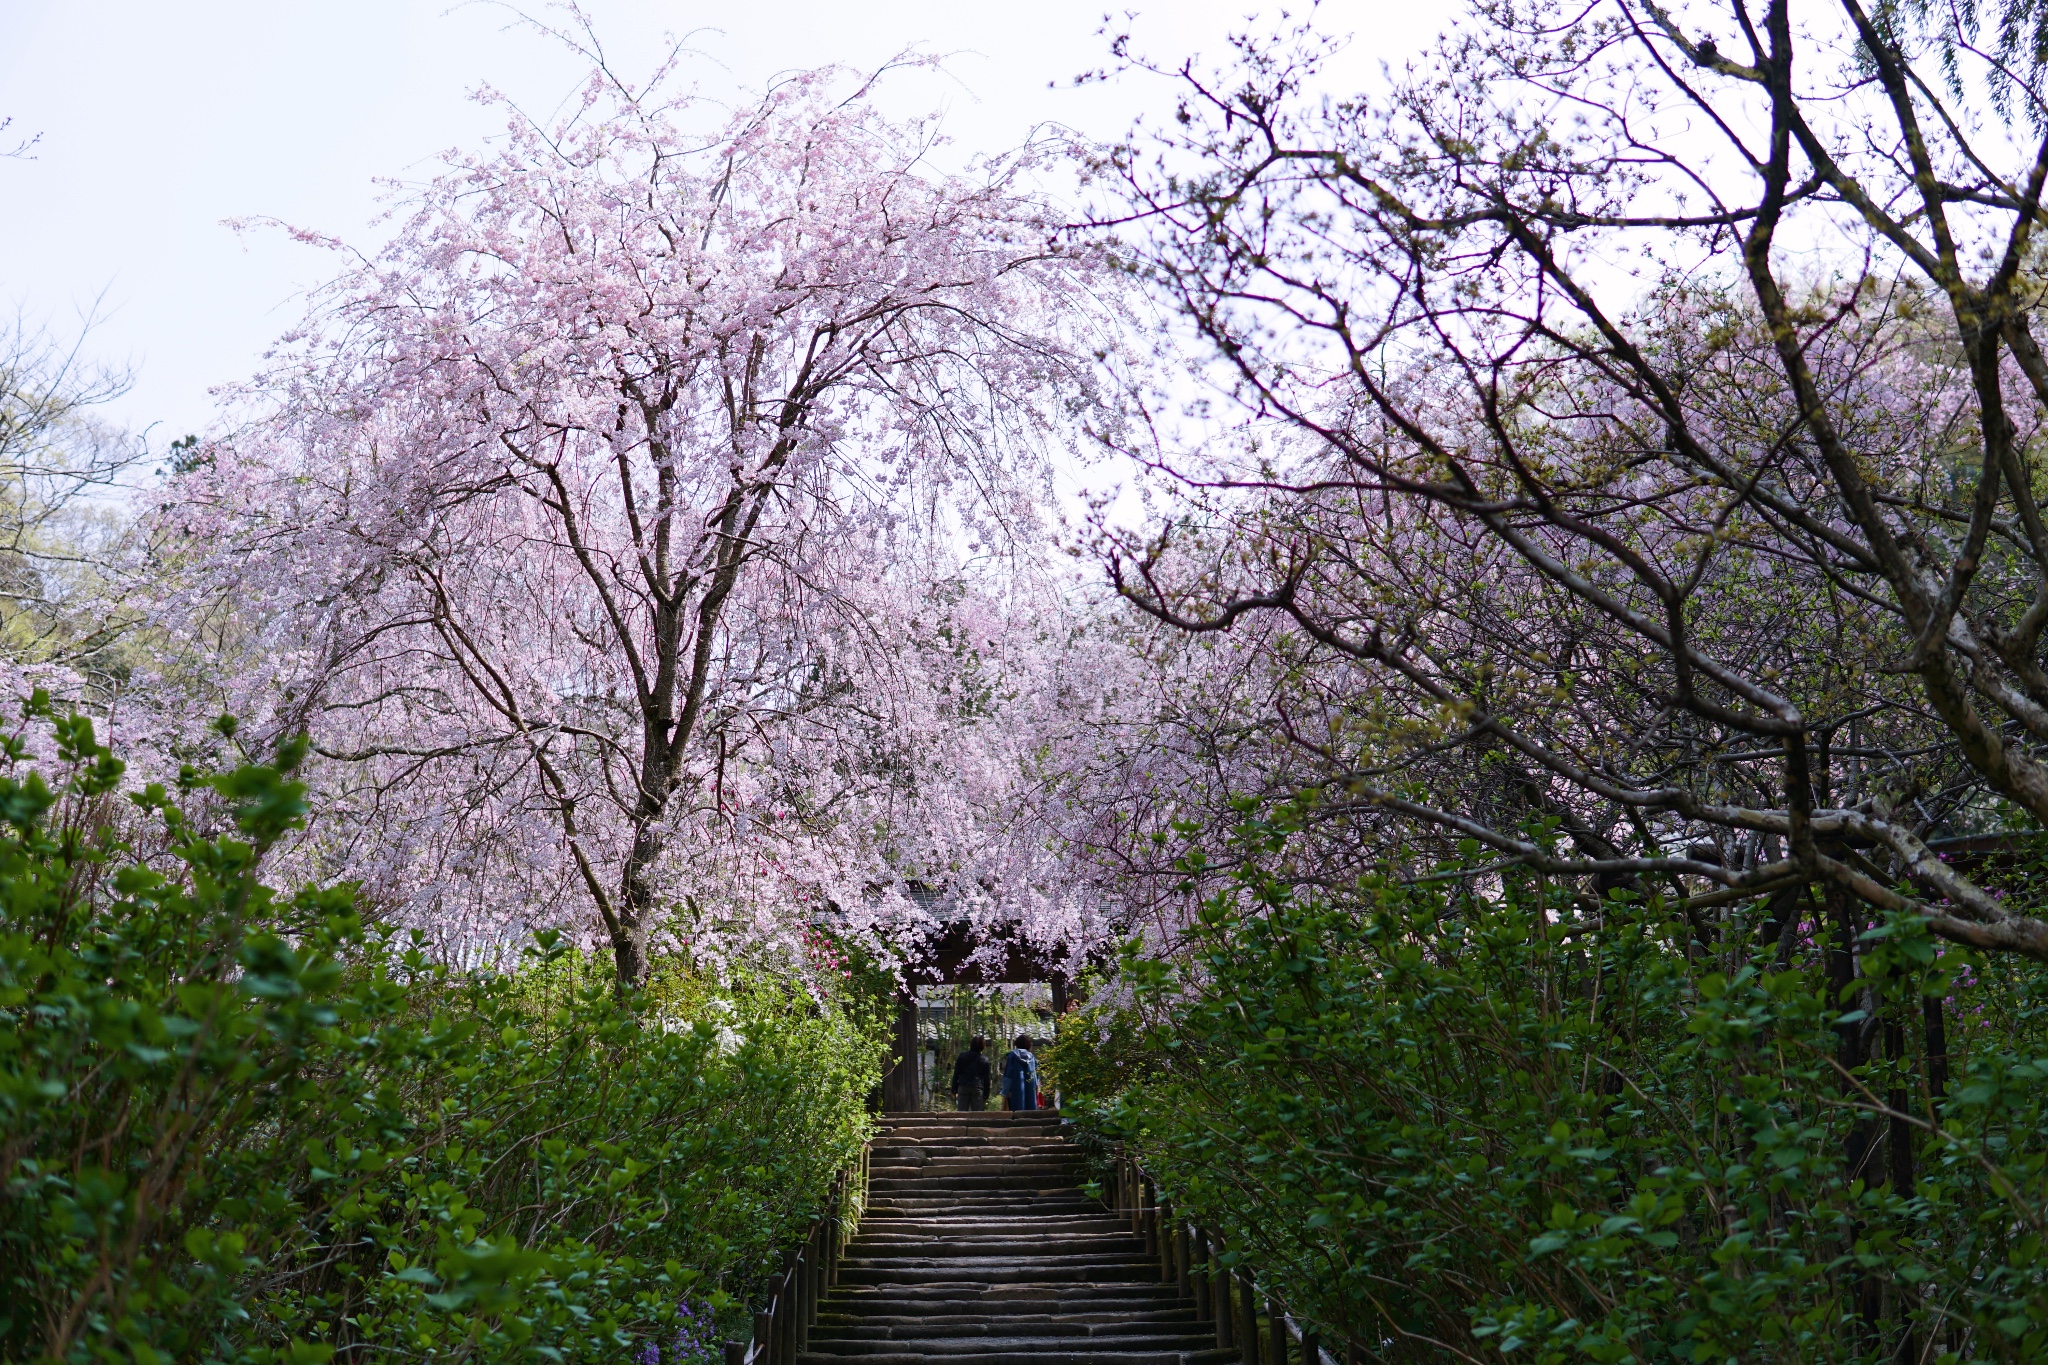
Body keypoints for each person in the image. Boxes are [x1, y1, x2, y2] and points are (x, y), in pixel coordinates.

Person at [1000, 1034, 1039, 1112]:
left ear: (1016, 1044)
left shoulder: (1012, 1056)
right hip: (1031, 1089)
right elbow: (1037, 1075)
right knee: (1030, 1113)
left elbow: (1008, 1075)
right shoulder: (1032, 1057)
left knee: (1016, 1111)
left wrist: (1005, 1091)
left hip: (1015, 1089)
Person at [950, 1036, 991, 1111]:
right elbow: (987, 1079)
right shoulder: (985, 1060)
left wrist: (954, 1089)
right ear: (983, 1046)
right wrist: (986, 1095)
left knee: (962, 1113)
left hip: (963, 1086)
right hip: (977, 1088)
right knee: (977, 1116)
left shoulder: (962, 1056)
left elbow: (956, 1073)